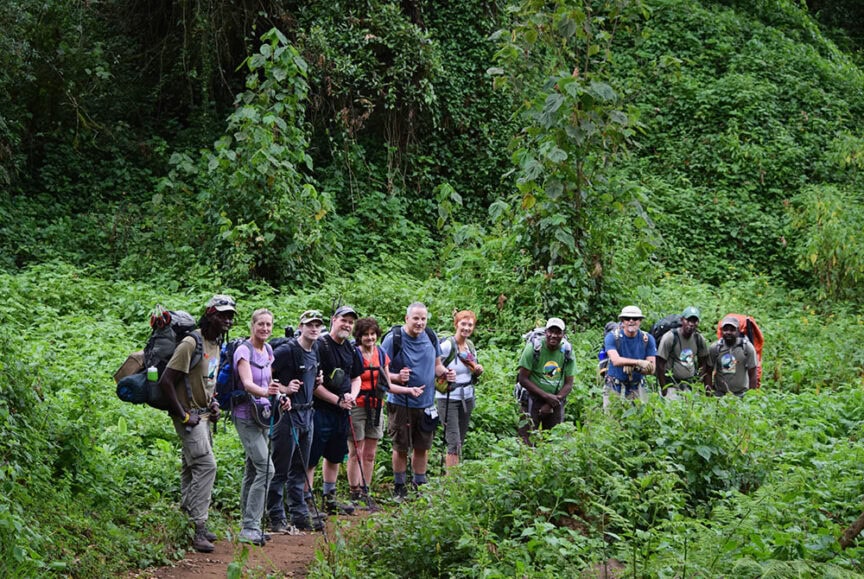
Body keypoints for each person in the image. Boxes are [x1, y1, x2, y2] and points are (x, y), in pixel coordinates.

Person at [158, 294, 235, 553]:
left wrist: (212, 404)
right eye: (222, 314)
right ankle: (198, 526)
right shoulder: (192, 342)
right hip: (188, 415)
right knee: (206, 465)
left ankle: (185, 518)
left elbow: (205, 380)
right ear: (210, 314)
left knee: (191, 467)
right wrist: (183, 414)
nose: (227, 319)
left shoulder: (215, 344)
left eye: (230, 315)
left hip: (202, 413)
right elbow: (166, 381)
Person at [382, 302, 455, 499]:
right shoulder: (393, 339)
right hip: (400, 402)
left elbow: (437, 366)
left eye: (423, 319)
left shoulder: (431, 337)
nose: (419, 322)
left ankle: (419, 485)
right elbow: (383, 373)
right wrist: (399, 378)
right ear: (406, 318)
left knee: (422, 446)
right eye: (416, 318)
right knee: (401, 446)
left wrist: (446, 374)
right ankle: (399, 486)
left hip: (426, 403)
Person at [232, 309, 291, 546]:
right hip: (246, 415)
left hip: (264, 416)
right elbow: (248, 383)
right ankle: (250, 526)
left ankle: (247, 523)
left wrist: (281, 396)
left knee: (254, 469)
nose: (265, 329)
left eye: (269, 325)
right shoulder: (243, 351)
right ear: (252, 325)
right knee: (266, 469)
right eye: (261, 324)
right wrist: (267, 392)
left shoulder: (267, 350)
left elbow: (269, 383)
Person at [268, 310, 324, 533]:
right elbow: (265, 375)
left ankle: (299, 513)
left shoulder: (316, 349)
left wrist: (318, 379)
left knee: (300, 467)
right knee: (280, 467)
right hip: (287, 415)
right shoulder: (287, 350)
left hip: (308, 414)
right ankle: (275, 514)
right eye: (310, 324)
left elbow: (313, 378)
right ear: (301, 326)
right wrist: (284, 389)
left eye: (318, 325)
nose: (314, 329)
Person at [309, 305, 363, 515]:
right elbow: (313, 384)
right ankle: (307, 503)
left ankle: (329, 499)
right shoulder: (320, 345)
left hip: (342, 413)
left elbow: (356, 377)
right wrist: (336, 400)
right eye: (344, 320)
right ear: (333, 320)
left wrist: (352, 396)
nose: (347, 325)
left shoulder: (350, 348)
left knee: (334, 457)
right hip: (319, 410)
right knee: (312, 458)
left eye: (350, 322)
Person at [347, 317, 391, 509]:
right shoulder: (353, 353)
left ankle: (366, 490)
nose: (370, 338)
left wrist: (409, 390)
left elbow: (387, 382)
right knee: (356, 451)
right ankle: (354, 491)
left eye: (372, 334)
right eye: (366, 334)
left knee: (370, 453)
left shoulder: (381, 354)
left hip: (376, 405)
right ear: (359, 336)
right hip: (357, 404)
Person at [436, 310, 484, 469]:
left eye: (470, 325)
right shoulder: (447, 345)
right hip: (448, 398)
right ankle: (451, 485)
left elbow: (471, 369)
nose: (466, 328)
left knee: (460, 441)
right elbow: (433, 366)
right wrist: (445, 373)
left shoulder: (470, 346)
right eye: (463, 324)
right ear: (456, 324)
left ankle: (454, 479)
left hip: (467, 398)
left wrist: (477, 370)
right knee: (454, 442)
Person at [516, 317, 576, 445]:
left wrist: (552, 402)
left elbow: (569, 383)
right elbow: (522, 378)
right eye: (551, 331)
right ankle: (527, 463)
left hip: (556, 400)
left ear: (563, 335)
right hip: (532, 398)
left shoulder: (567, 351)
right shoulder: (534, 348)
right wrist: (546, 396)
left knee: (555, 441)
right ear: (545, 332)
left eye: (558, 332)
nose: (553, 336)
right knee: (526, 440)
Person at [604, 305, 657, 407]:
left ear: (640, 321)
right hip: (614, 385)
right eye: (627, 319)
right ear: (622, 321)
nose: (631, 321)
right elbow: (615, 360)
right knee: (612, 419)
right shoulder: (612, 337)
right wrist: (638, 362)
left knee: (638, 419)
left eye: (635, 319)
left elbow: (652, 368)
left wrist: (636, 368)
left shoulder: (647, 339)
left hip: (637, 387)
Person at [655, 306, 710, 398]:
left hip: (689, 384)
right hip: (671, 385)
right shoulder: (670, 337)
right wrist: (664, 388)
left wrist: (698, 380)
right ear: (681, 320)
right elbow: (660, 364)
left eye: (694, 321)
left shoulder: (698, 339)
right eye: (688, 320)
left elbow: (703, 361)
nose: (691, 324)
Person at [707, 316, 758, 397]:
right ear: (721, 331)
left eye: (732, 329)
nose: (728, 332)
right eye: (725, 329)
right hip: (720, 394)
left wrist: (752, 396)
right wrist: (709, 393)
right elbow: (708, 372)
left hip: (741, 394)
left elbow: (753, 373)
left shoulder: (746, 347)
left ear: (738, 331)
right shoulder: (715, 348)